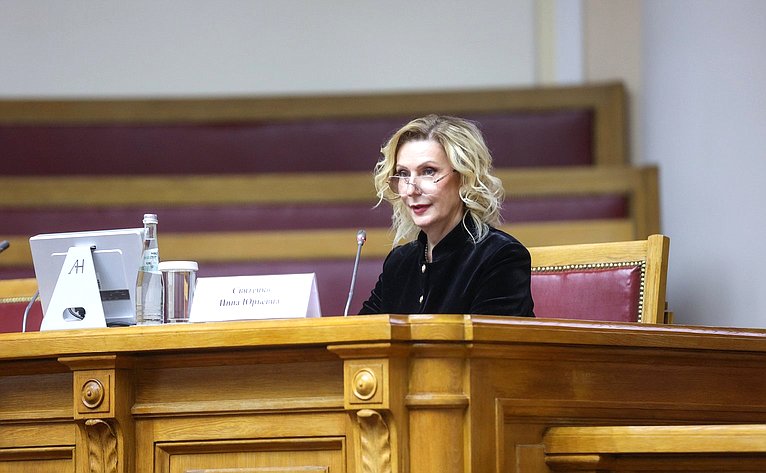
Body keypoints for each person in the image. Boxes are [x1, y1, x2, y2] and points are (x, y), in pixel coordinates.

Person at [359, 114, 534, 316]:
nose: (410, 190)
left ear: (464, 177)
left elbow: (488, 336)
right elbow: (362, 332)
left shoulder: (500, 255)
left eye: (428, 171)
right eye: (404, 174)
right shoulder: (399, 262)